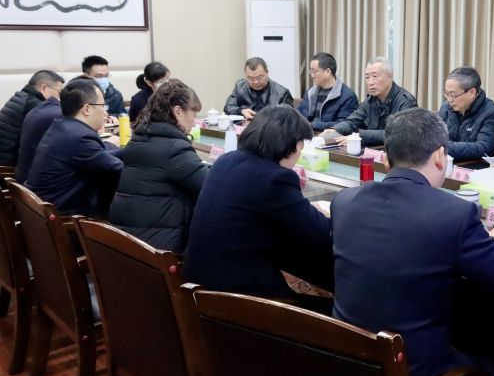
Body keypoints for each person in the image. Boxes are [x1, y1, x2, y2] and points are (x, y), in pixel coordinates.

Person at [331, 108, 494, 376]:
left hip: (349, 364)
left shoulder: (344, 202)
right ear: (440, 156)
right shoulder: (454, 214)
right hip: (414, 373)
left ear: (387, 159)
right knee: (493, 366)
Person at [183, 105, 333, 308]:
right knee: (335, 313)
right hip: (239, 299)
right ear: (293, 145)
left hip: (198, 284)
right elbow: (321, 232)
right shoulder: (275, 179)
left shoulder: (226, 160)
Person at [109, 79, 208, 253]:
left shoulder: (138, 139)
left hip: (126, 241)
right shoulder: (175, 149)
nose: (195, 122)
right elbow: (209, 187)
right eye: (194, 113)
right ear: (178, 111)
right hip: (159, 249)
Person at [26, 79, 123, 217]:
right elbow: (117, 168)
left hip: (41, 212)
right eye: (103, 106)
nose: (106, 112)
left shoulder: (63, 125)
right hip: (64, 218)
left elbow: (101, 156)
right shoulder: (79, 137)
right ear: (87, 109)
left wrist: (131, 151)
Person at [326, 57, 417, 145]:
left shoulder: (406, 101)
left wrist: (359, 136)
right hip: (373, 150)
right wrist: (335, 130)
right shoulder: (370, 101)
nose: (370, 82)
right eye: (367, 77)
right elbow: (353, 122)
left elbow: (398, 134)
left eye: (375, 76)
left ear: (390, 76)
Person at [0, 70, 64, 166]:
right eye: (59, 92)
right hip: (10, 163)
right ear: (44, 88)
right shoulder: (35, 105)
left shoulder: (22, 96)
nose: (60, 98)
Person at [437, 67, 494, 160]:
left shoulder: (491, 112)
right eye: (447, 94)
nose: (449, 99)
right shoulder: (446, 107)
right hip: (448, 162)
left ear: (472, 92)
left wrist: (444, 147)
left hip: (475, 165)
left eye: (453, 94)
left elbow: (484, 148)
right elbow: (435, 137)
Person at [15, 79, 65, 184]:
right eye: (60, 92)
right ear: (44, 88)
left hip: (18, 171)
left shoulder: (24, 97)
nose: (62, 98)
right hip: (20, 171)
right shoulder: (39, 106)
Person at [297, 52, 358, 130]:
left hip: (329, 135)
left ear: (327, 72)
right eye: (311, 72)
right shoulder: (310, 92)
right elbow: (299, 115)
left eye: (314, 71)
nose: (312, 76)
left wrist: (312, 125)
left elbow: (344, 124)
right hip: (307, 133)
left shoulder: (348, 96)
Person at [224, 57, 293, 120]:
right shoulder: (240, 86)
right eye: (250, 78)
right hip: (243, 128)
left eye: (259, 77)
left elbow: (289, 119)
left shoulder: (282, 93)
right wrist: (242, 111)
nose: (255, 82)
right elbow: (228, 107)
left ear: (267, 73)